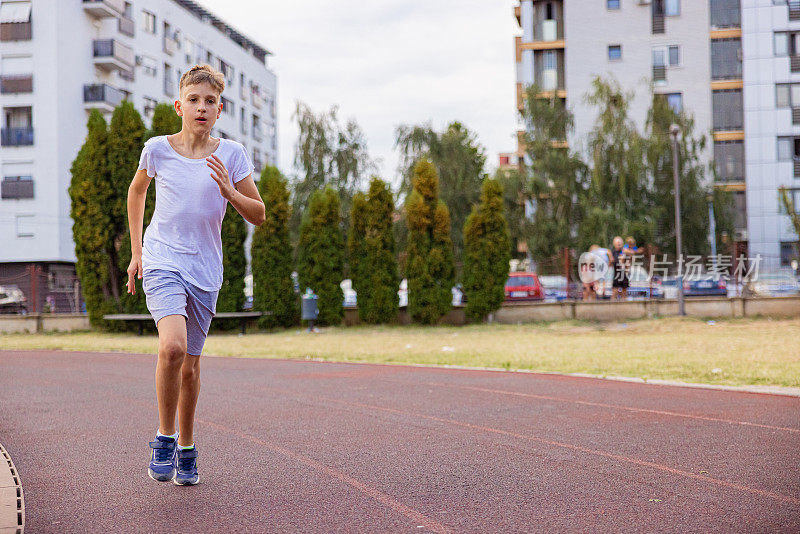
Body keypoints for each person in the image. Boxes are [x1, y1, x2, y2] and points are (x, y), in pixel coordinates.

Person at [126, 64, 265, 486]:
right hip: (163, 260)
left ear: (219, 110)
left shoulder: (232, 154)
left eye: (209, 102)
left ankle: (188, 447)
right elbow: (137, 191)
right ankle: (165, 437)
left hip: (205, 271)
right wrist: (137, 253)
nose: (201, 107)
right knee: (171, 348)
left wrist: (231, 193)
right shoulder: (157, 149)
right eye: (193, 100)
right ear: (178, 106)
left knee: (189, 366)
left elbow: (258, 215)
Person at [610, 236, 629, 300]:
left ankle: (625, 307)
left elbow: (628, 263)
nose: (619, 244)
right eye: (617, 243)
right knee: (615, 291)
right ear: (614, 244)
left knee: (624, 292)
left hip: (624, 275)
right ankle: (612, 307)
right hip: (616, 275)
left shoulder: (625, 252)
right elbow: (611, 264)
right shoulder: (613, 253)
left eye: (620, 243)